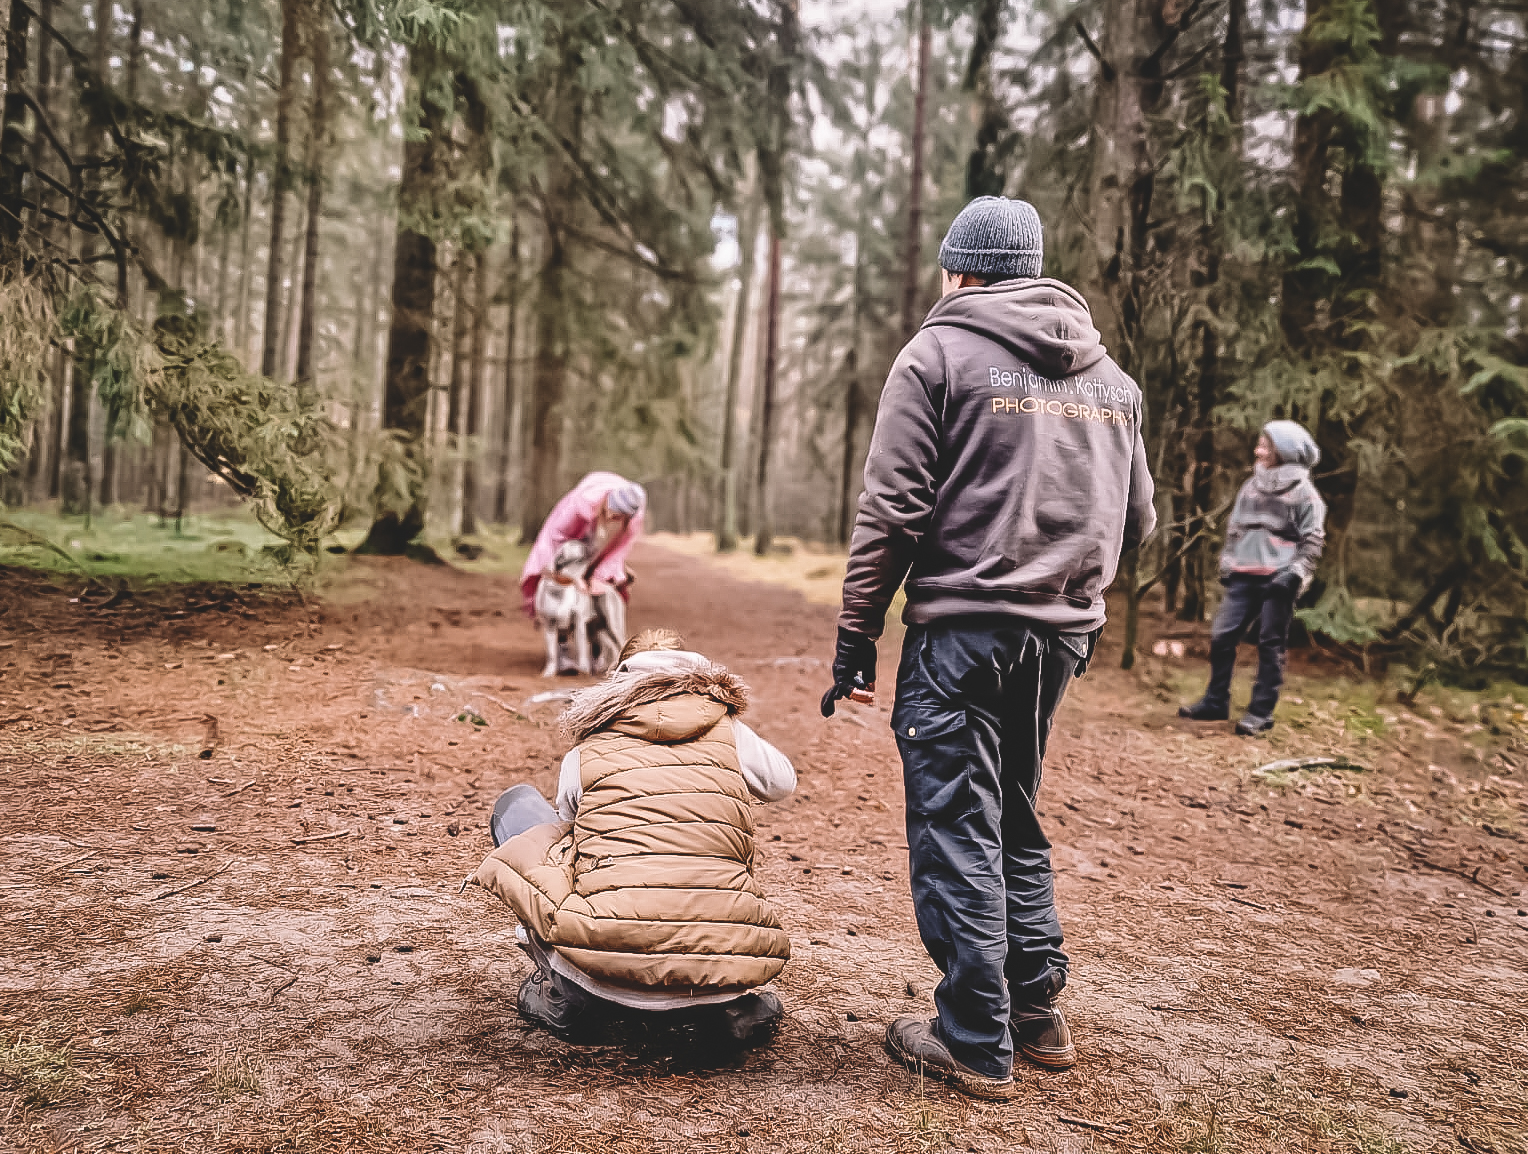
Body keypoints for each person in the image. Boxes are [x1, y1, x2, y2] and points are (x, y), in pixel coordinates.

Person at [821, 196, 1155, 1100]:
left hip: (962, 636)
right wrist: (1065, 593)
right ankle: (1037, 1009)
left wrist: (857, 634)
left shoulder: (935, 356)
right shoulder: (1113, 382)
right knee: (1012, 809)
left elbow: (893, 510)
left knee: (956, 823)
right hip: (1059, 640)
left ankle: (974, 1037)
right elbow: (1139, 520)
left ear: (960, 268)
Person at [471, 629, 795, 1046]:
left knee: (521, 811)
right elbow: (782, 783)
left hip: (602, 973)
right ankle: (725, 1008)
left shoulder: (589, 745)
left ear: (619, 676)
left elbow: (573, 831)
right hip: (720, 976)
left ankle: (566, 995)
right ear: (695, 671)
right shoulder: (730, 731)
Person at [1178, 421, 1326, 737]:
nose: (1258, 451)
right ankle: (1216, 701)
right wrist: (1228, 564)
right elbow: (1235, 529)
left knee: (1270, 644)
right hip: (1243, 576)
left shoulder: (1304, 493)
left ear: (1284, 452)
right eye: (1259, 445)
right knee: (1222, 635)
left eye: (1266, 447)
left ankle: (1261, 712)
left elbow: (1312, 540)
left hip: (1279, 579)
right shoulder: (1251, 486)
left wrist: (1296, 574)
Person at [520, 473, 646, 615]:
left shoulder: (633, 520)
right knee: (568, 556)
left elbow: (620, 549)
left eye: (618, 516)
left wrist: (599, 577)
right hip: (577, 522)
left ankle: (610, 579)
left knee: (604, 564)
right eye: (612, 511)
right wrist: (569, 572)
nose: (611, 517)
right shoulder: (582, 502)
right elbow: (558, 536)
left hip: (608, 529)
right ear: (606, 500)